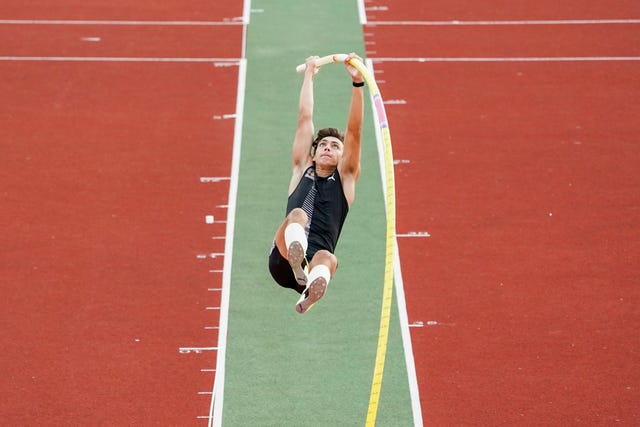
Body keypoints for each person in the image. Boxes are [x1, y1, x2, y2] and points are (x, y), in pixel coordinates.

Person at [268, 53, 364, 314]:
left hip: (314, 262)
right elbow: (304, 118)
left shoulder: (345, 180)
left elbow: (354, 131)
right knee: (297, 215)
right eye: (322, 144)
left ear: (342, 156)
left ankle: (311, 292)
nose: (326, 147)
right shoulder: (302, 169)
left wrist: (357, 84)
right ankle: (299, 267)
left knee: (328, 258)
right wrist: (309, 75)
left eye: (334, 146)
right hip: (283, 259)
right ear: (314, 150)